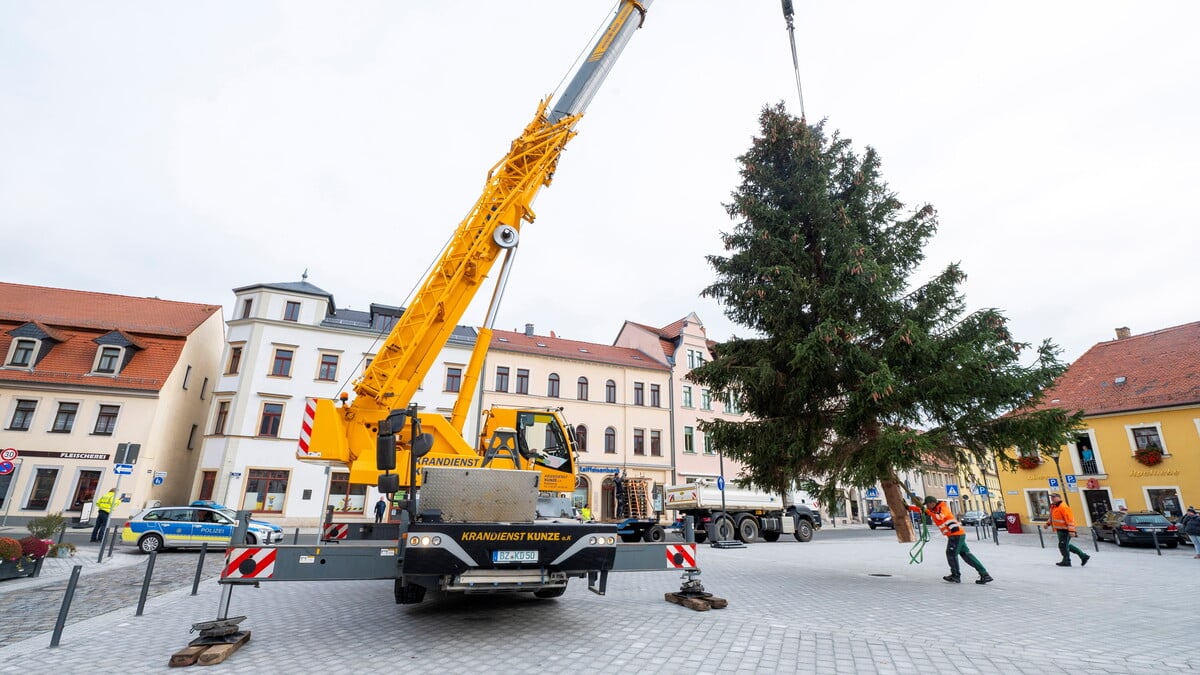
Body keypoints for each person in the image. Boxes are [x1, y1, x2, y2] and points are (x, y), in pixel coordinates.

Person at [923, 495, 993, 584]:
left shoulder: (942, 508)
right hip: (957, 535)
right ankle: (985, 574)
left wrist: (927, 512)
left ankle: (955, 576)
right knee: (967, 556)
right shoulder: (934, 510)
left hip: (955, 535)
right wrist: (908, 507)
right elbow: (922, 510)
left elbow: (939, 517)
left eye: (927, 505)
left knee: (951, 554)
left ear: (932, 503)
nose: (927, 507)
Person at [1044, 493, 1089, 567]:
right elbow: (1052, 517)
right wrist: (1048, 524)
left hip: (1065, 530)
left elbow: (1070, 520)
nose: (1052, 499)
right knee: (1066, 545)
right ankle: (1083, 556)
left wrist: (1071, 531)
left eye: (1054, 497)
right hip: (1059, 530)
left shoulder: (1063, 507)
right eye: (1051, 497)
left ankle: (1066, 561)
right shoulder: (1054, 507)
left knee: (1063, 545)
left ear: (1059, 498)